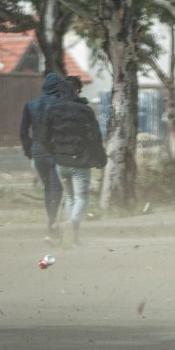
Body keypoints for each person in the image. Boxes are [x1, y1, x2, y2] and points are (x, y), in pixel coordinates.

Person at [44, 75, 106, 246]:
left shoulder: (52, 110)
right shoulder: (85, 111)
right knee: (81, 197)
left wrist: (55, 153)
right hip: (80, 162)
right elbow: (94, 137)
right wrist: (100, 159)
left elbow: (45, 137)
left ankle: (72, 236)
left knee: (70, 197)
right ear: (78, 90)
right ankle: (72, 223)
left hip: (61, 163)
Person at [20, 72, 67, 244]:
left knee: (48, 189)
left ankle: (52, 227)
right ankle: (51, 227)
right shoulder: (61, 105)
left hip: (38, 153)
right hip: (56, 153)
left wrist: (29, 152)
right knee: (58, 190)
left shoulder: (30, 104)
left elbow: (23, 132)